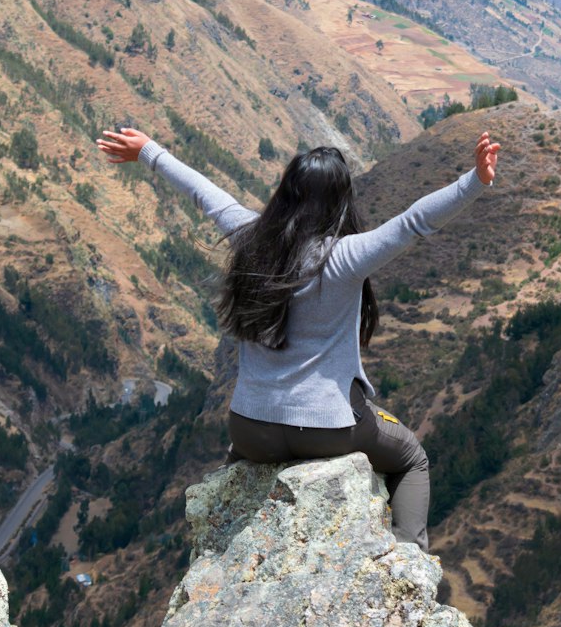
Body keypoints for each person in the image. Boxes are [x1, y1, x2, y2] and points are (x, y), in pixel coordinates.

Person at [97, 125, 500, 551]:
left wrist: (149, 152)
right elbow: (415, 221)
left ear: (287, 192)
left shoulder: (251, 239)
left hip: (251, 433)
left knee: (245, 464)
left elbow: (206, 194)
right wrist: (475, 181)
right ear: (341, 201)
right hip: (327, 430)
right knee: (412, 458)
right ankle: (406, 557)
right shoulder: (345, 256)